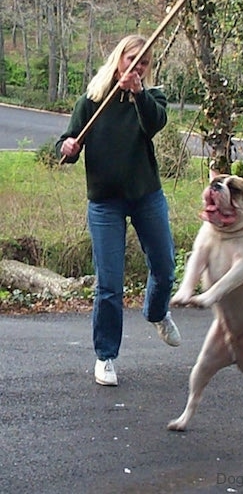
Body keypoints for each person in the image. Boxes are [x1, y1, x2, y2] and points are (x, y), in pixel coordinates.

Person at [56, 34, 181, 387]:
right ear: (118, 60)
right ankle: (106, 356)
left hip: (146, 196)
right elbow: (67, 148)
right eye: (132, 59)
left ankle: (157, 313)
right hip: (105, 203)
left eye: (144, 62)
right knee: (109, 284)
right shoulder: (93, 100)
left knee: (165, 266)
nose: (137, 66)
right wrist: (67, 146)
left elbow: (154, 125)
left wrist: (139, 92)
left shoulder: (152, 98)